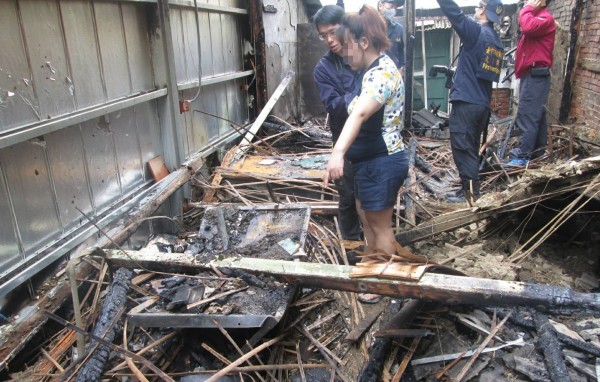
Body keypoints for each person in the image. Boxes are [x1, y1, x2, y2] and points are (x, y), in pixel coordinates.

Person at [323, 4, 407, 262]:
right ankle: (374, 266)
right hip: (368, 163)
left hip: (382, 161)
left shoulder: (380, 74)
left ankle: (383, 280)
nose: (344, 53)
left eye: (347, 45)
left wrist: (337, 153)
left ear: (363, 41)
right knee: (366, 217)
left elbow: (358, 113)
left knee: (380, 227)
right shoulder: (366, 73)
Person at [436, 0, 504, 203]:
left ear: (483, 10)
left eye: (478, 6)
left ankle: (472, 198)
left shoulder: (477, 33)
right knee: (471, 150)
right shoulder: (496, 42)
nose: (475, 10)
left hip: (466, 103)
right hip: (481, 105)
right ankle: (466, 190)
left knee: (464, 150)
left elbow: (454, 13)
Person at [313, 5, 363, 242]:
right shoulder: (323, 69)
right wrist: (363, 95)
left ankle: (376, 241)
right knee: (348, 196)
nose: (329, 40)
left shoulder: (365, 54)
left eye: (333, 32)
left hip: (374, 140)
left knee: (372, 195)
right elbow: (334, 106)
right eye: (323, 35)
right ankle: (352, 247)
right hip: (344, 142)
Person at [506, 0, 556, 167]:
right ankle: (537, 153)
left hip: (536, 75)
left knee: (528, 115)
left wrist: (527, 8)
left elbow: (526, 26)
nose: (526, 1)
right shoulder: (539, 18)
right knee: (537, 116)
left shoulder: (545, 19)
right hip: (533, 75)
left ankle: (523, 155)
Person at [377, 0, 405, 71]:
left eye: (395, 7)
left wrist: (402, 68)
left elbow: (401, 51)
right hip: (374, 76)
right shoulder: (370, 28)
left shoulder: (398, 29)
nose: (393, 10)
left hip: (393, 76)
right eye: (391, 5)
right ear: (380, 5)